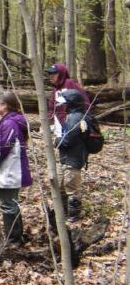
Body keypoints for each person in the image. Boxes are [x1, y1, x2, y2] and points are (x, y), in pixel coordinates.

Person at [0, 91, 32, 245]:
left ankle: (13, 239)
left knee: (8, 204)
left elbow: (2, 148)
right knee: (10, 203)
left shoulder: (10, 123)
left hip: (10, 169)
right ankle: (15, 236)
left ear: (5, 105)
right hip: (9, 168)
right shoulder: (8, 121)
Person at [55, 88, 89, 220]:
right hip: (68, 158)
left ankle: (74, 216)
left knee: (71, 189)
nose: (64, 106)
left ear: (72, 104)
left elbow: (67, 140)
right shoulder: (73, 117)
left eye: (66, 103)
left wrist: (56, 140)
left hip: (73, 159)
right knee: (62, 187)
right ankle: (63, 213)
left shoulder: (75, 118)